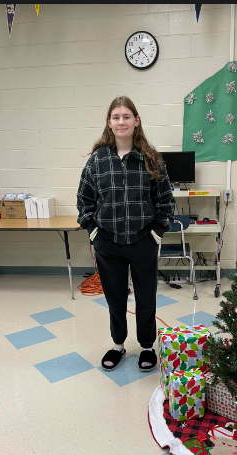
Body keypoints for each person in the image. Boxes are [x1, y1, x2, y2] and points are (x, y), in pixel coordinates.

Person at [77, 96, 175, 372]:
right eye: (116, 117)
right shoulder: (97, 160)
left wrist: (156, 233)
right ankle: (118, 344)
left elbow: (166, 202)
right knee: (115, 297)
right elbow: (84, 202)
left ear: (136, 121)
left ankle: (147, 347)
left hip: (142, 241)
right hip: (108, 242)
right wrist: (94, 232)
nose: (121, 122)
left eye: (126, 116)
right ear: (109, 123)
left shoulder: (151, 159)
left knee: (146, 297)